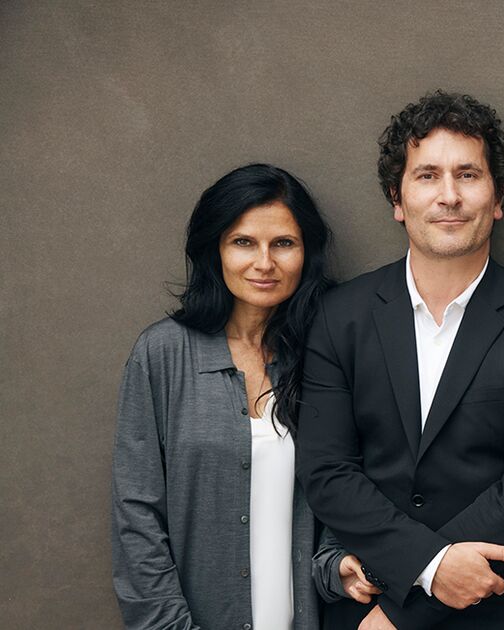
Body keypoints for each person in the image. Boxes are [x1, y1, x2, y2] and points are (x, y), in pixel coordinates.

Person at [295, 91, 504, 630]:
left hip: (493, 613)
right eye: (427, 176)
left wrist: (403, 610)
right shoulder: (339, 317)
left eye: (468, 175)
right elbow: (328, 472)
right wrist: (426, 568)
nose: (449, 195)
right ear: (397, 199)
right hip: (365, 608)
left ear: (497, 197)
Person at [111, 163, 342, 629]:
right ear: (214, 249)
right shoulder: (163, 353)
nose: (264, 263)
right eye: (243, 242)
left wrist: (339, 567)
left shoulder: (324, 355)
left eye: (283, 243)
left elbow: (344, 494)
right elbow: (136, 517)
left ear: (307, 252)